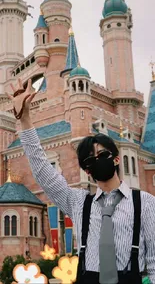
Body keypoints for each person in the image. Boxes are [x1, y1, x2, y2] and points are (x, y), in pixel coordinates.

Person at [7, 79, 155, 284]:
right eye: (90, 159)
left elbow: (154, 262)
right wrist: (25, 120)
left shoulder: (145, 203)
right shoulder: (79, 204)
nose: (97, 161)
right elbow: (43, 172)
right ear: (87, 169)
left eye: (103, 155)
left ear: (116, 158)